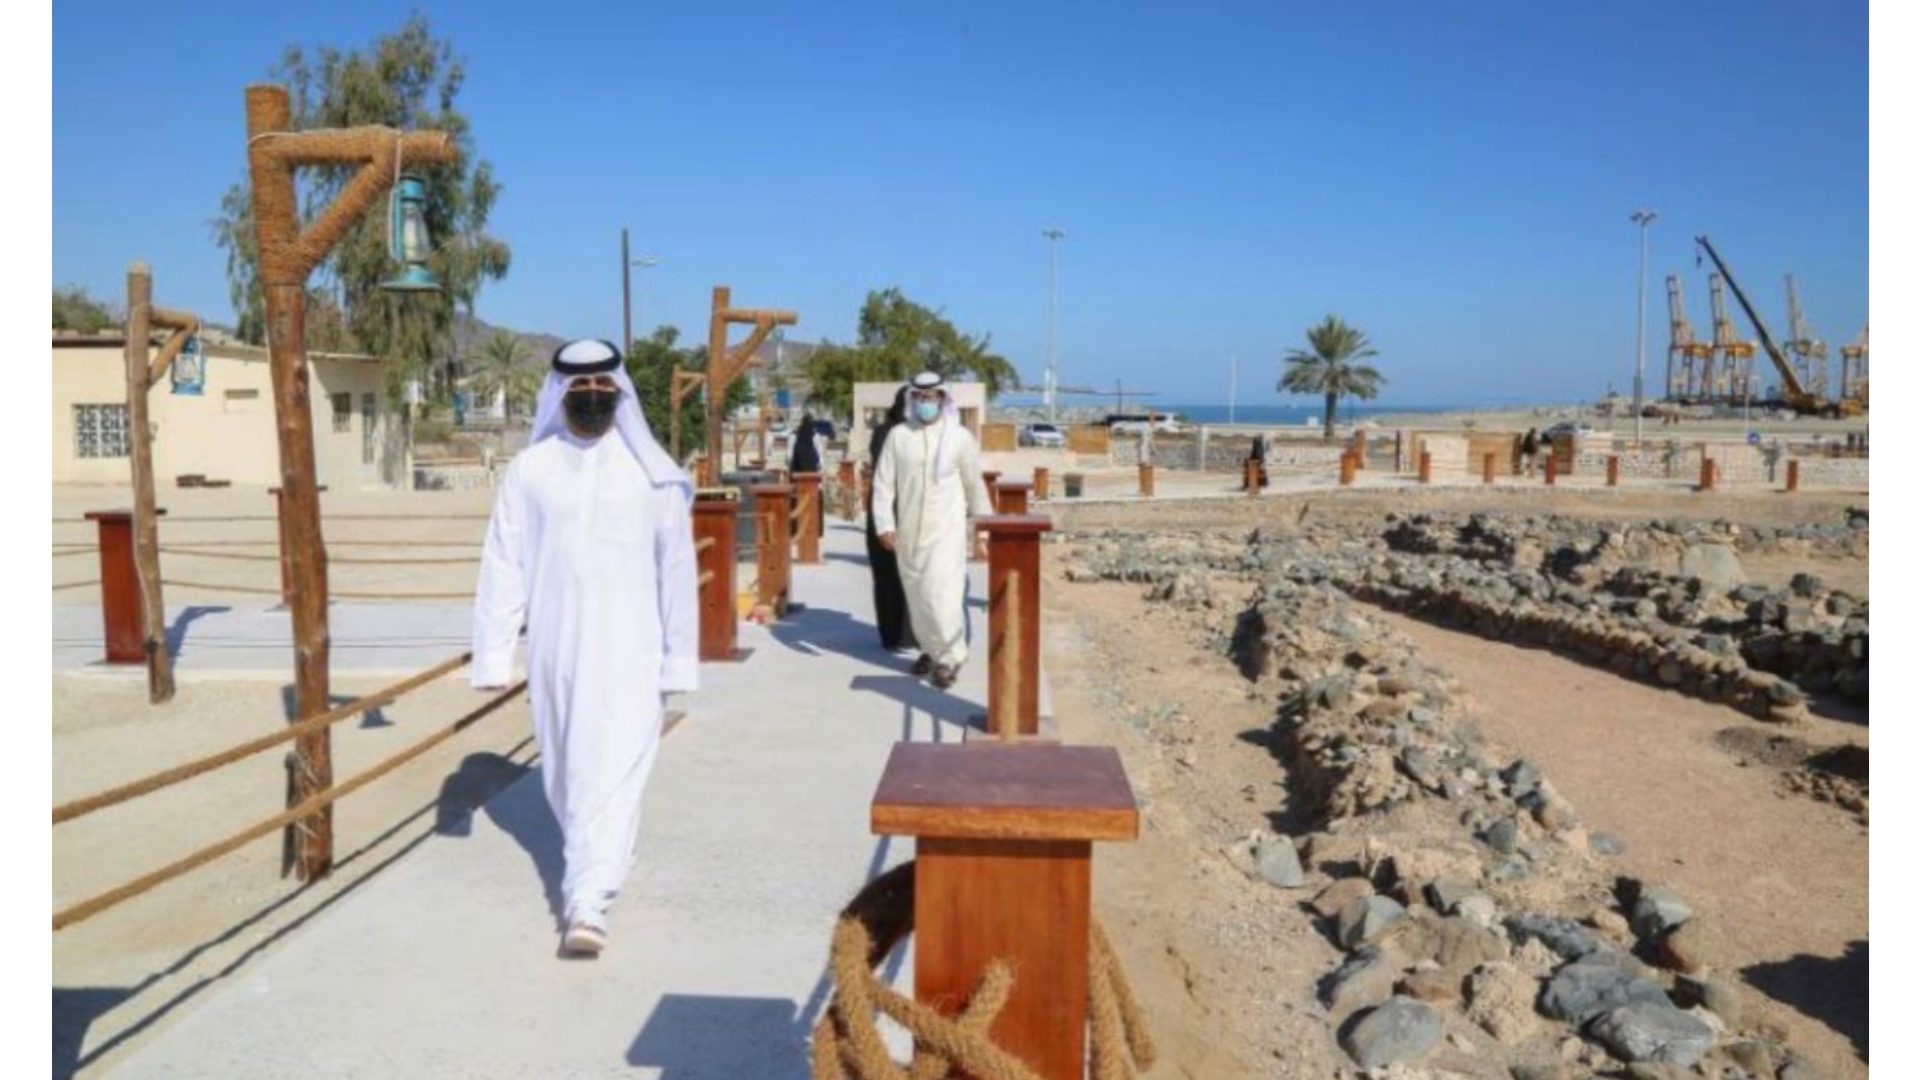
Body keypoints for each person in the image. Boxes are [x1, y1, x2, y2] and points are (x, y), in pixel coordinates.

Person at [471, 339, 699, 958]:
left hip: (632, 651)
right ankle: (601, 865)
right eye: (580, 391)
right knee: (572, 777)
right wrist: (494, 656)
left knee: (613, 771)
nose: (593, 399)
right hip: (555, 651)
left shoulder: (653, 474)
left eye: (604, 390)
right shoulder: (530, 471)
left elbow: (675, 571)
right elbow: (504, 565)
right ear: (560, 394)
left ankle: (586, 903)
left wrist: (680, 659)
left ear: (620, 393)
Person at [871, 371, 993, 690]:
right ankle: (930, 649)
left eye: (932, 397)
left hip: (946, 534)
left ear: (942, 398)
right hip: (908, 533)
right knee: (919, 597)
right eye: (921, 397)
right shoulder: (899, 436)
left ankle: (951, 657)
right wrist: (884, 524)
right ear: (913, 398)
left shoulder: (959, 438)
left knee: (943, 595)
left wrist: (983, 532)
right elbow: (883, 484)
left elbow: (975, 488)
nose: (926, 403)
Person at [865, 387, 916, 653]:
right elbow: (883, 474)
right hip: (886, 511)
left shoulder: (916, 435)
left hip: (911, 512)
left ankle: (910, 633)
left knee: (912, 576)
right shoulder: (886, 433)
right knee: (888, 576)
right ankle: (893, 633)